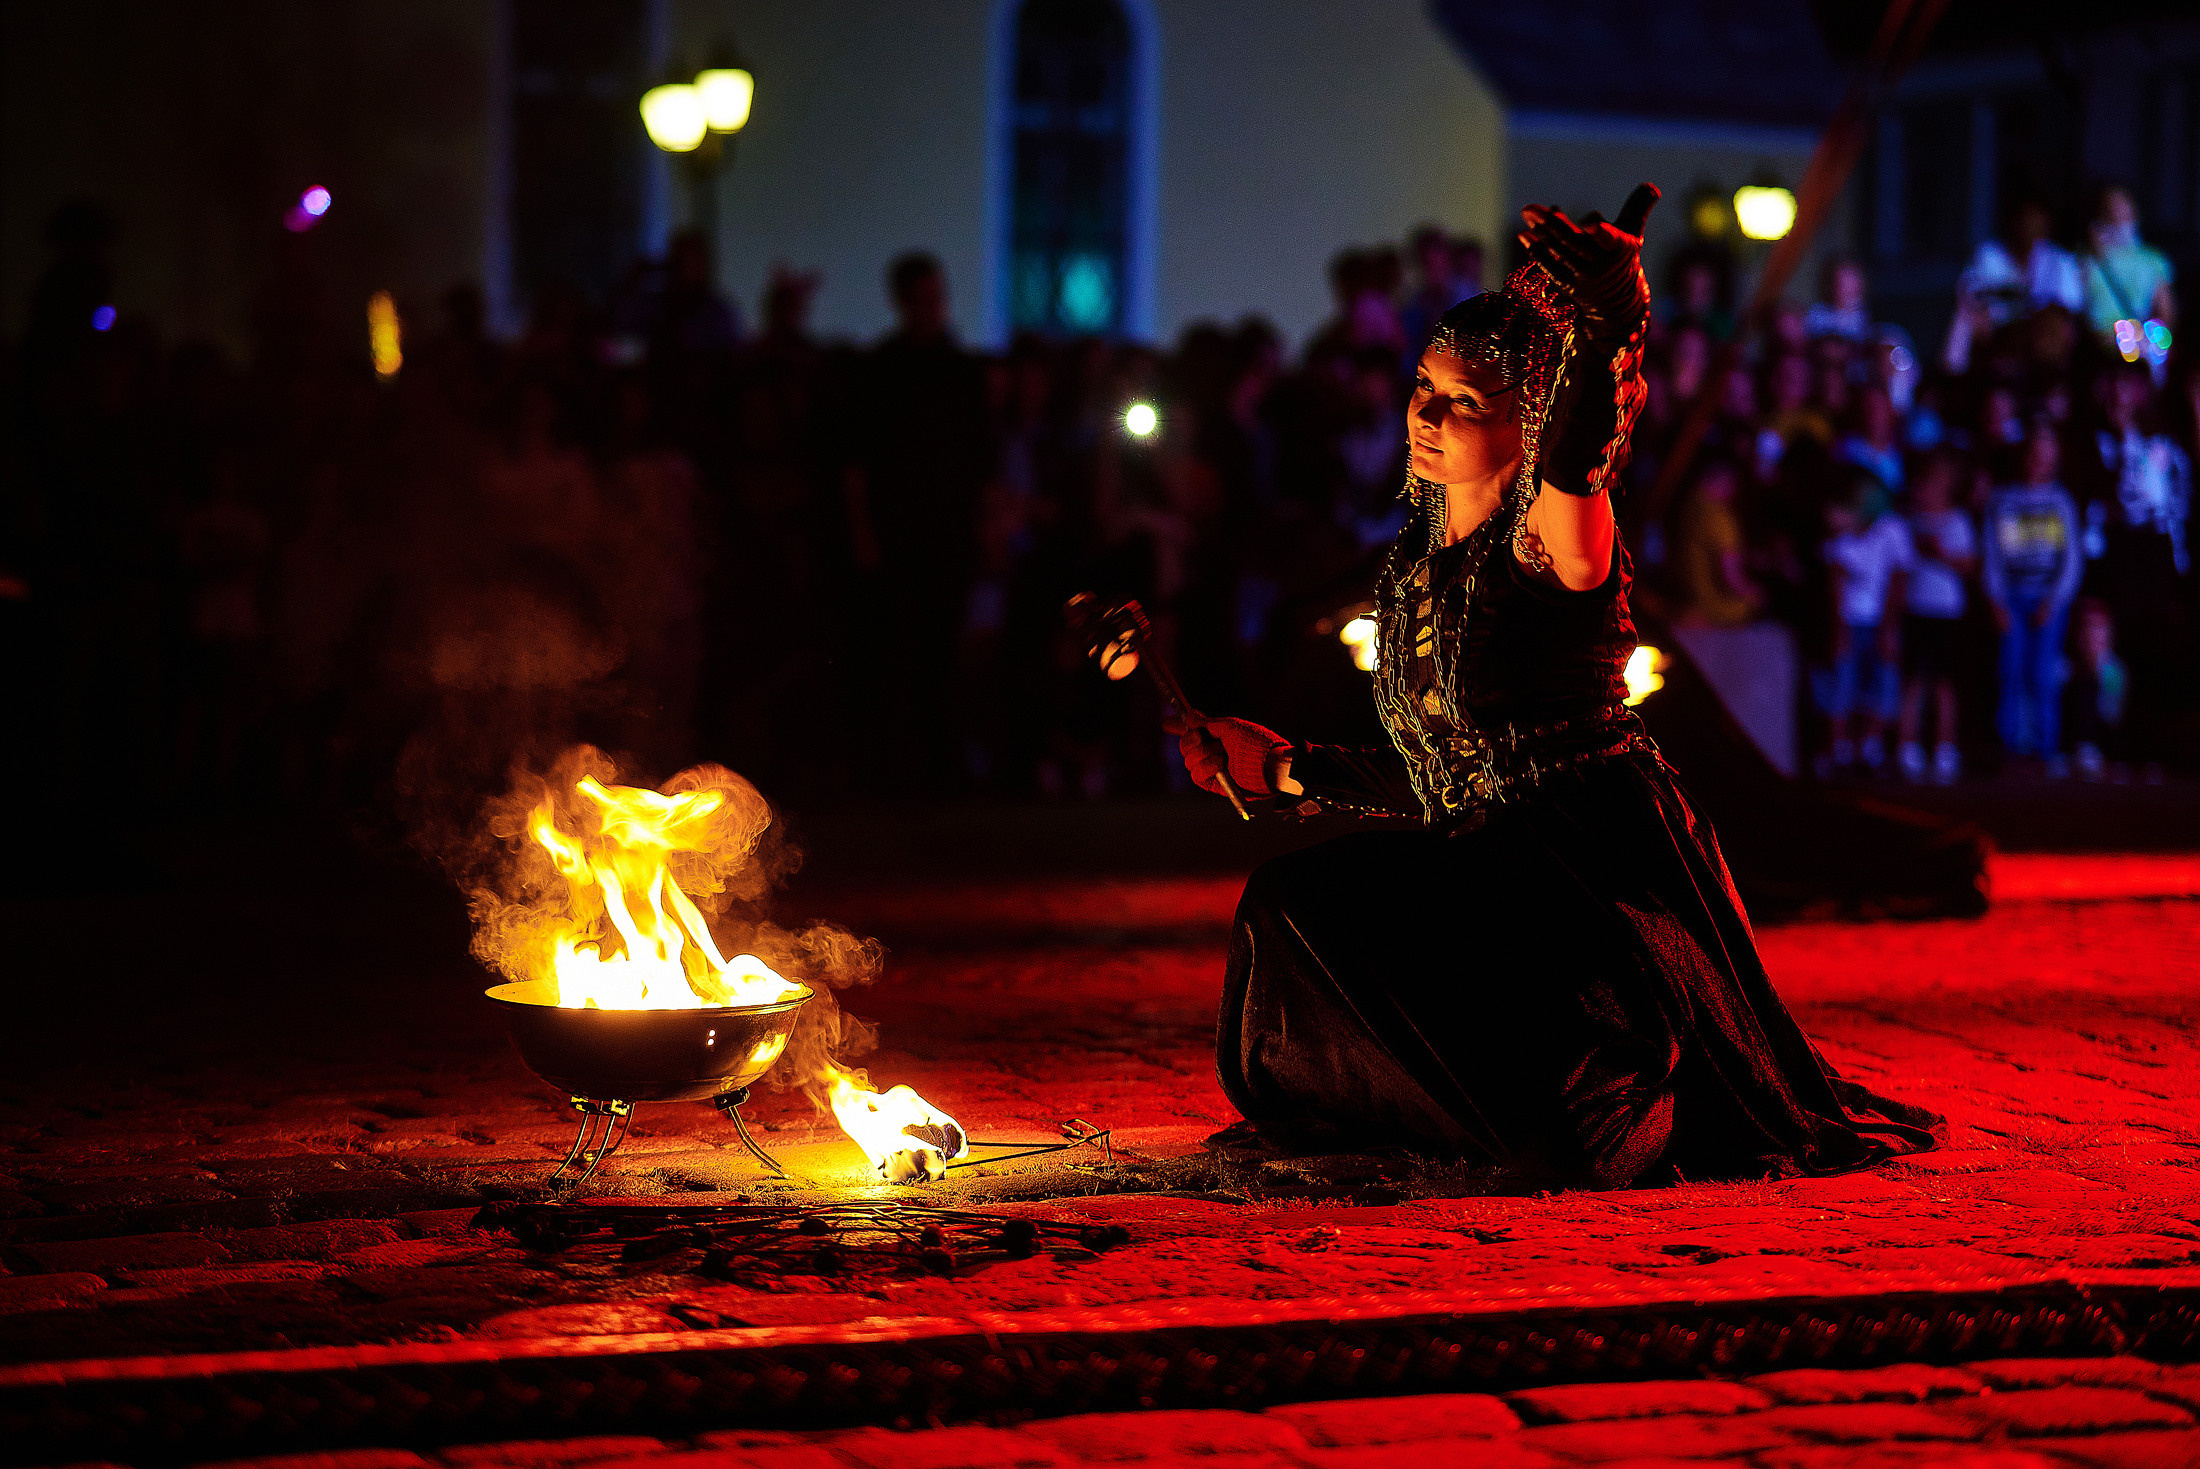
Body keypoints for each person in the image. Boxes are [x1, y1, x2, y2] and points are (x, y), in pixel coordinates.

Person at [1169, 185, 1940, 1188]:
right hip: (1483, 860)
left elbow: (1578, 464)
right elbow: (1445, 771)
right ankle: (1416, 1108)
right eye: (1423, 388)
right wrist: (1283, 767)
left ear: (1524, 418)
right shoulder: (1413, 562)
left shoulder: (1554, 539)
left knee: (1560, 1126)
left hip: (1587, 883)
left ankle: (1591, 1105)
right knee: (1294, 901)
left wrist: (1611, 315)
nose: (1430, 417)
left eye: (1466, 402)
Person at [1983, 422, 2084, 775]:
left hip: (2047, 601)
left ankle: (2045, 748)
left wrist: (2054, 601)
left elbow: (2070, 559)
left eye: (2045, 456)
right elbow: (1993, 555)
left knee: (2043, 673)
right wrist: (1995, 600)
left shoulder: (2060, 502)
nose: (2038, 462)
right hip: (2011, 597)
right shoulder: (2003, 500)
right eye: (2033, 455)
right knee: (2009, 669)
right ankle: (2010, 747)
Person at [1821, 473, 1911, 775]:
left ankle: (1871, 748)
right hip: (1850, 622)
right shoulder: (1838, 539)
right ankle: (1841, 750)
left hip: (1880, 623)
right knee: (1843, 683)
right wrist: (1839, 629)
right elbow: (1835, 586)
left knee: (1882, 682)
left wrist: (1888, 626)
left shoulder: (1892, 530)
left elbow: (1899, 577)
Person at [1897, 449, 1977, 785]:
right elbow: (1898, 569)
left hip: (1946, 612)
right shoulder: (1908, 521)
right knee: (1913, 680)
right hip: (1915, 609)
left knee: (1944, 682)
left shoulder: (1958, 521)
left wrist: (1941, 554)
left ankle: (1944, 748)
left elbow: (1970, 566)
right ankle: (1907, 748)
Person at [1943, 196, 2084, 374]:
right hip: (1997, 331)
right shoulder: (1989, 254)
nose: (2028, 226)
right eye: (2023, 219)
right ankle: (1952, 378)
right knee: (1963, 318)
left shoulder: (2059, 260)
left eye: (2035, 219)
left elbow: (2071, 307)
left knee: (2052, 327)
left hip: (2040, 333)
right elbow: (1970, 295)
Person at [2081, 185, 2177, 369]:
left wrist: (2150, 346)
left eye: (2122, 206)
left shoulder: (2152, 259)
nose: (2116, 213)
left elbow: (2166, 312)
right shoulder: (2085, 260)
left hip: (2141, 355)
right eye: (2109, 208)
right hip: (2096, 354)